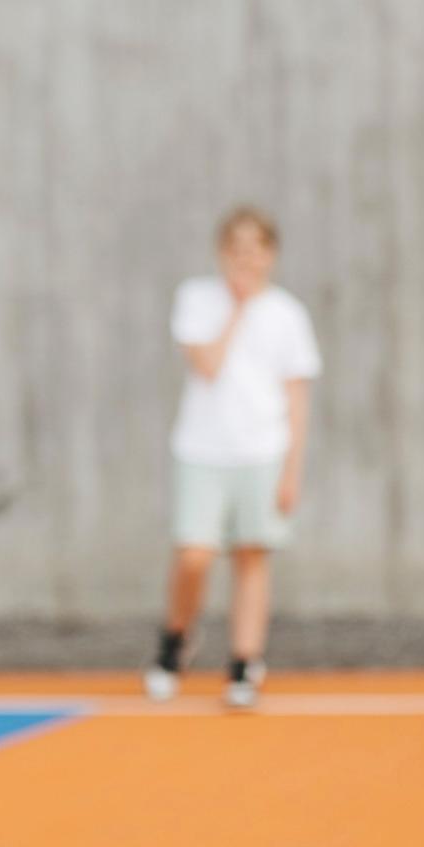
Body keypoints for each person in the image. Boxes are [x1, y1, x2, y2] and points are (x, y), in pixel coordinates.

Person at [146, 206, 321, 710]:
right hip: (201, 450)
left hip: (262, 452)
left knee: (251, 554)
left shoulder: (289, 314)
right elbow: (206, 365)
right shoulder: (196, 300)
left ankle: (245, 662)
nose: (247, 258)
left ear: (272, 254)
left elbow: (297, 399)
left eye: (257, 248)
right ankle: (175, 640)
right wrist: (238, 309)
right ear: (222, 252)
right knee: (194, 554)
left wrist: (291, 470)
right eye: (237, 248)